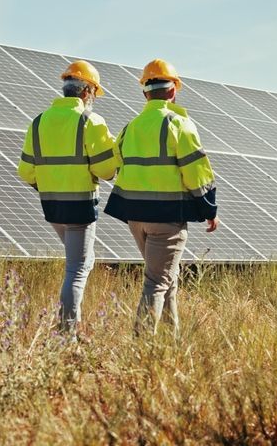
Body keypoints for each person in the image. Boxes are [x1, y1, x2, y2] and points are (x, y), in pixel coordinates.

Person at [104, 59, 219, 338]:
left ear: (145, 92)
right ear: (173, 91)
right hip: (167, 218)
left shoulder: (130, 127)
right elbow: (197, 171)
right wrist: (209, 208)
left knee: (168, 278)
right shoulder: (179, 124)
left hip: (135, 217)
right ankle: (142, 347)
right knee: (157, 281)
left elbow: (111, 167)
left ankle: (171, 339)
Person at [17, 60, 118, 334]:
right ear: (86, 91)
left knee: (84, 261)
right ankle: (66, 334)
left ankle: (72, 326)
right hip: (81, 209)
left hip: (53, 208)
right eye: (94, 92)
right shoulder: (89, 121)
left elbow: (26, 171)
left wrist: (51, 183)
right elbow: (106, 170)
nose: (94, 98)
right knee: (77, 269)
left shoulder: (38, 122)